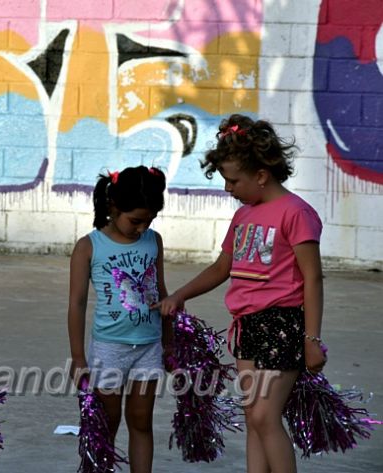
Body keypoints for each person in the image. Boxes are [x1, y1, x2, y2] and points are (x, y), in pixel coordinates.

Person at [157, 114, 327, 473]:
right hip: (246, 326)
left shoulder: (296, 214)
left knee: (266, 416)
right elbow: (222, 268)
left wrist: (312, 338)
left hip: (282, 326)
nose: (228, 189)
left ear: (262, 176)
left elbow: (313, 279)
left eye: (233, 181)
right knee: (254, 416)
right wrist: (181, 294)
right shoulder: (243, 217)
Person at [68, 166, 172, 473]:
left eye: (149, 220)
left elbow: (161, 291)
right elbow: (76, 303)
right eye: (136, 220)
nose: (142, 228)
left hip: (148, 348)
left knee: (141, 421)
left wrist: (170, 342)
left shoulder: (154, 241)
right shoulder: (89, 246)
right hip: (109, 350)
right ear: (114, 207)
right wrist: (78, 357)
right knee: (106, 424)